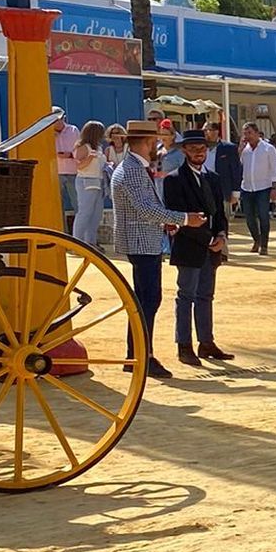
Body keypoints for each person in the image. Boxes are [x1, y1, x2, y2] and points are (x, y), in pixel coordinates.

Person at [110, 122, 196, 380]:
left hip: (141, 238)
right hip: (141, 241)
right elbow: (146, 209)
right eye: (153, 141)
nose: (156, 146)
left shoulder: (132, 166)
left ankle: (135, 354)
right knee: (148, 299)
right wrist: (183, 218)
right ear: (146, 142)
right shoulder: (134, 169)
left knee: (145, 299)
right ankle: (141, 355)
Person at [162, 127, 232, 364]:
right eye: (193, 149)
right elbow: (178, 216)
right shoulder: (173, 180)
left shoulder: (213, 178)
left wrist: (221, 235)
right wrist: (209, 239)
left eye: (202, 149)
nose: (198, 153)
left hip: (211, 247)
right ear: (184, 151)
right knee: (186, 296)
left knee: (206, 295)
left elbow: (220, 213)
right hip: (189, 246)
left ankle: (206, 342)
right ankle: (184, 345)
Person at [239, 123, 276, 254]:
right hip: (247, 187)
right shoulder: (245, 150)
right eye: (245, 133)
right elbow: (240, 165)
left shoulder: (269, 149)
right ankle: (256, 240)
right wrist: (240, 149)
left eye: (249, 133)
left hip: (263, 187)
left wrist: (274, 187)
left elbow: (275, 168)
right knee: (249, 217)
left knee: (263, 216)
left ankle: (264, 245)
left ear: (257, 133)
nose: (247, 136)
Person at [72, 121, 109, 249]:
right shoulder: (83, 146)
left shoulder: (98, 147)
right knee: (85, 212)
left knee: (96, 213)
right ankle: (77, 242)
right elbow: (78, 165)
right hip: (86, 180)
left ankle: (90, 242)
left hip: (98, 181)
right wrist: (90, 158)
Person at [206, 118, 243, 211]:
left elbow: (235, 170)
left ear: (217, 131)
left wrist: (235, 192)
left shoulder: (228, 148)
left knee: (222, 219)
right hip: (204, 188)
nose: (207, 132)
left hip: (222, 190)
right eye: (205, 130)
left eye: (210, 130)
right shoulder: (200, 148)